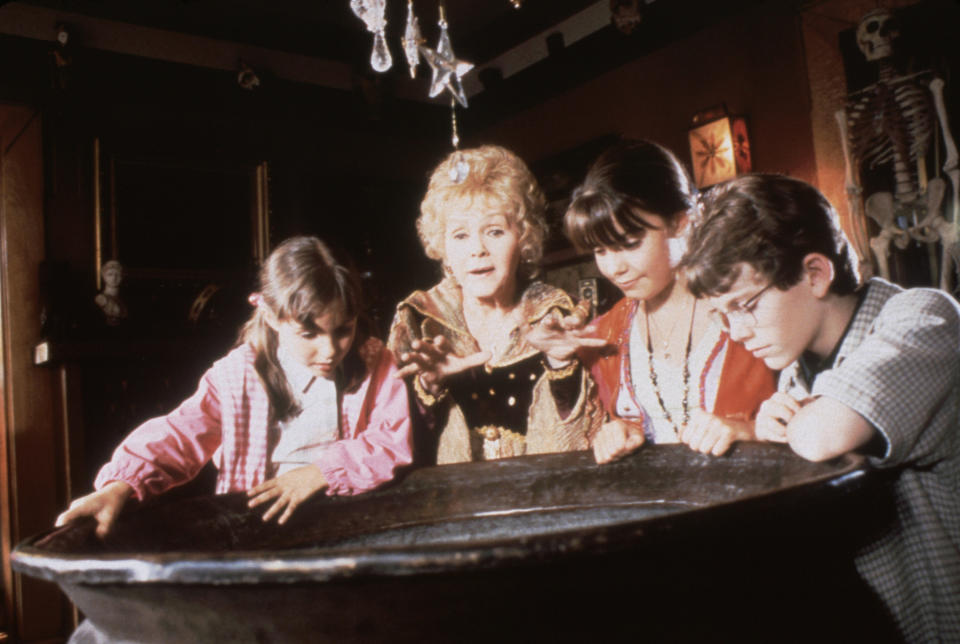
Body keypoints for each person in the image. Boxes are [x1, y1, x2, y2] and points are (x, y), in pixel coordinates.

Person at [682, 173, 960, 642]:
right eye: (720, 315)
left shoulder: (924, 318)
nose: (736, 331)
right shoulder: (799, 368)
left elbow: (821, 436)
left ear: (815, 274)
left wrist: (772, 429)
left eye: (745, 305)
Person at [57, 236, 413, 537]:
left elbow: (390, 441)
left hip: (349, 529)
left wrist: (320, 472)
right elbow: (182, 434)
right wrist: (120, 485)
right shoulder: (239, 375)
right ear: (272, 316)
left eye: (343, 330)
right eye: (309, 334)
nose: (331, 349)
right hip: (261, 534)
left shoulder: (374, 362)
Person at [388, 144, 605, 464]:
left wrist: (562, 367)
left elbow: (591, 443)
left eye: (494, 231)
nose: (477, 249)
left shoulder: (561, 316)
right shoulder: (419, 321)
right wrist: (428, 387)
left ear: (524, 239)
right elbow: (393, 450)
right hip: (450, 505)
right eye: (460, 236)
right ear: (443, 247)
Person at [564, 139, 775, 463]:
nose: (613, 268)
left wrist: (747, 430)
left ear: (681, 222)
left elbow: (817, 412)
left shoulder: (752, 309)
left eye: (629, 243)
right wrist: (620, 431)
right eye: (600, 251)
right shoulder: (605, 334)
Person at [95, 259, 128, 326]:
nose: (114, 278)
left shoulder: (125, 298)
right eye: (110, 274)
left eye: (117, 274)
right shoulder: (101, 298)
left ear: (122, 277)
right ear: (104, 277)